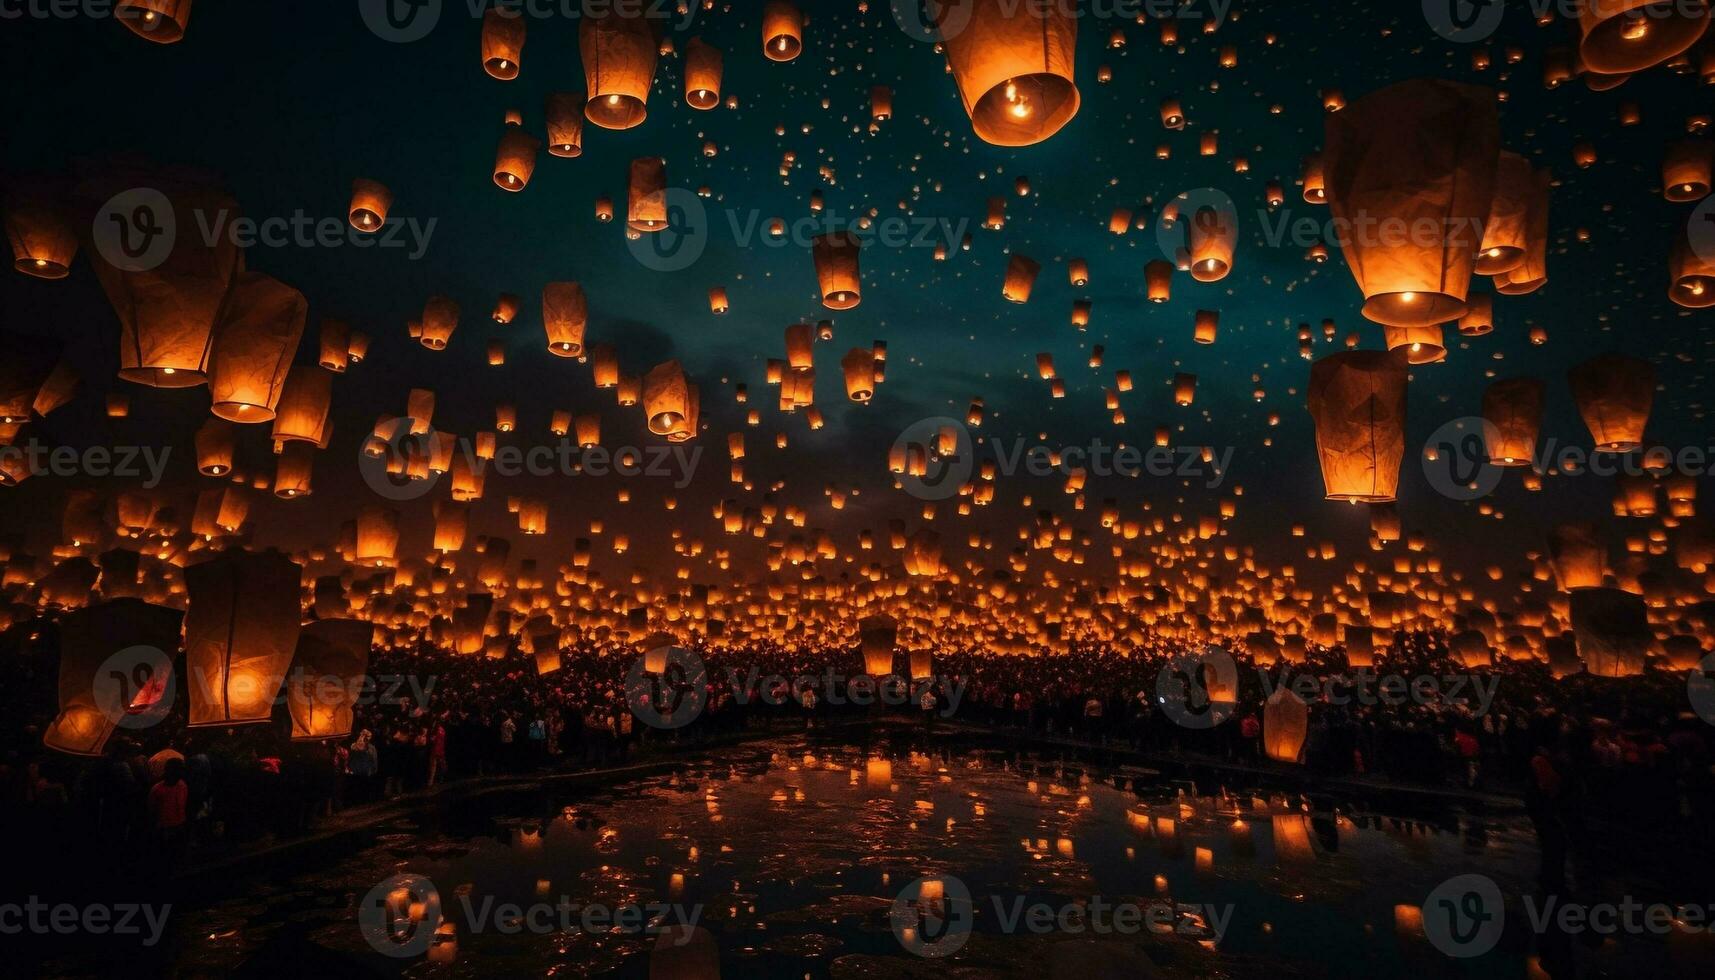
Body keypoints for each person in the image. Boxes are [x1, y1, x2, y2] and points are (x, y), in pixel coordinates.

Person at [148, 757, 190, 868]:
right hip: (164, 827)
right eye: (178, 770)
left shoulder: (182, 785)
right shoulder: (158, 789)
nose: (180, 773)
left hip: (178, 824)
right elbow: (152, 810)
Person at [348, 730, 378, 804]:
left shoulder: (370, 748)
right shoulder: (355, 746)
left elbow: (374, 759)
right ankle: (362, 800)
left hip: (364, 770)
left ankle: (363, 800)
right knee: (361, 786)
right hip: (360, 770)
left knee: (363, 786)